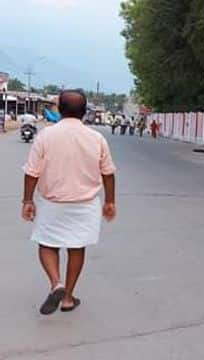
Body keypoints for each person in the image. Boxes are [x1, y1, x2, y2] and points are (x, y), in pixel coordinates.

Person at [21, 90, 117, 315]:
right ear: (84, 112)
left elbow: (32, 172)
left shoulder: (46, 136)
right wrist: (110, 201)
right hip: (85, 204)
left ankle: (56, 283)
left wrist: (27, 200)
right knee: (76, 247)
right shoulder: (96, 138)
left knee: (47, 244)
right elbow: (108, 173)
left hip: (52, 202)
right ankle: (67, 298)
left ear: (59, 109)